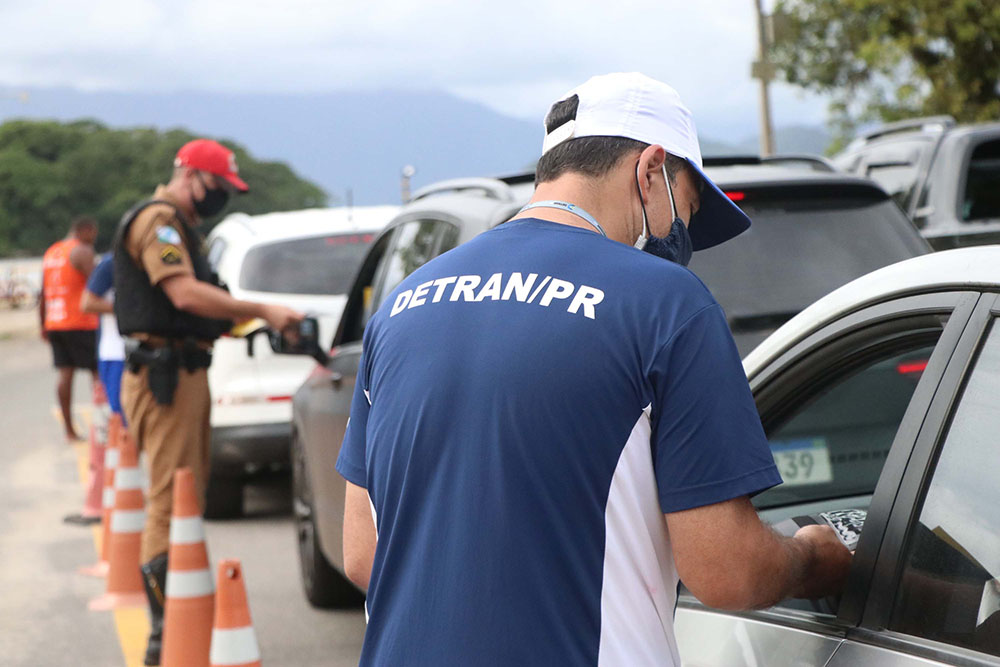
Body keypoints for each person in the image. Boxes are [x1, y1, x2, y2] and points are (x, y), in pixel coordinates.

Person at [336, 73, 853, 666]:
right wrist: (813, 555)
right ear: (651, 168)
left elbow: (363, 552)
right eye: (685, 211)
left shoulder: (404, 303)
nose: (680, 238)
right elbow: (727, 572)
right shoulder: (666, 303)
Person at [112, 138, 303, 666]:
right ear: (191, 175)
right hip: (164, 375)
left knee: (182, 495)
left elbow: (203, 306)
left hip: (182, 370)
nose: (221, 196)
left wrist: (252, 318)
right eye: (218, 186)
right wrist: (261, 305)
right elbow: (183, 294)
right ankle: (165, 633)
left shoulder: (182, 227)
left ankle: (178, 615)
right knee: (172, 499)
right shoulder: (160, 222)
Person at [40, 217, 99, 442]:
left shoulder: (52, 252)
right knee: (97, 373)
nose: (93, 239)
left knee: (65, 374)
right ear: (85, 230)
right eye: (93, 233)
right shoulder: (82, 251)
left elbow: (43, 293)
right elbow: (98, 284)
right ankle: (102, 426)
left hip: (55, 322)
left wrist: (43, 324)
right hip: (81, 321)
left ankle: (69, 430)